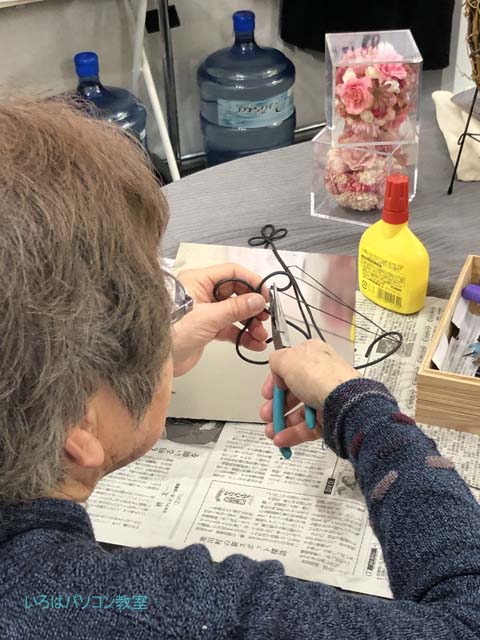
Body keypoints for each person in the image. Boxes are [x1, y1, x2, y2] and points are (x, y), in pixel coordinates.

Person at [0, 100, 479, 640]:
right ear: (79, 428)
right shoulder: (140, 608)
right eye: (152, 306)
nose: (171, 302)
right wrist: (360, 408)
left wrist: (152, 347)